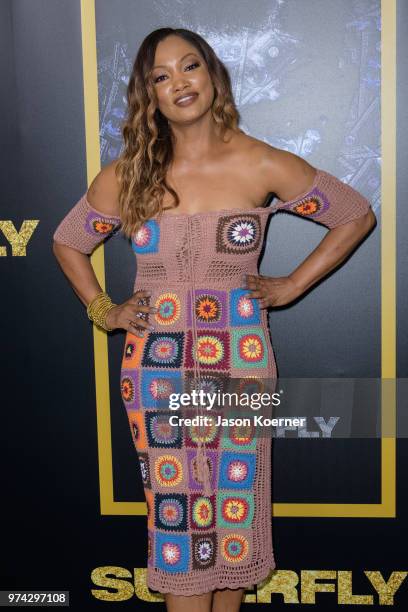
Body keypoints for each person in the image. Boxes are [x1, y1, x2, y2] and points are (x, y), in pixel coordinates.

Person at [52, 27, 376, 612]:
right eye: (161, 76)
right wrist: (107, 311)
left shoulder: (260, 162)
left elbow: (354, 214)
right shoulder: (129, 174)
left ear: (213, 76)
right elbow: (68, 242)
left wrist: (293, 285)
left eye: (190, 66)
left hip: (241, 363)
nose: (179, 82)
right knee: (180, 529)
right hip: (157, 372)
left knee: (234, 519)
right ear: (148, 96)